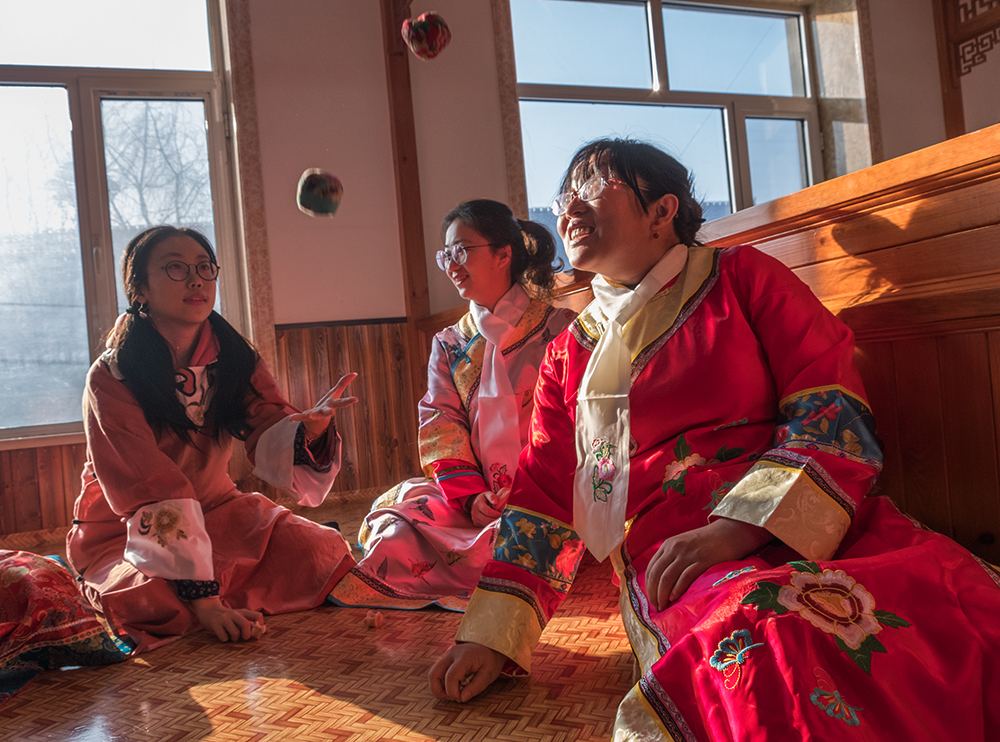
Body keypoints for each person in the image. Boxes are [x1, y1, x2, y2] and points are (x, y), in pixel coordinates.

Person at [429, 140, 1000, 740]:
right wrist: (490, 636)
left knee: (951, 613)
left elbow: (829, 408)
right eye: (563, 193)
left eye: (592, 187)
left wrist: (740, 527)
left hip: (805, 516)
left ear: (662, 211)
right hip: (677, 549)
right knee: (767, 640)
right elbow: (544, 495)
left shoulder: (744, 279)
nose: (569, 205)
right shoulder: (570, 353)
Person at [67, 226, 358, 653]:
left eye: (205, 268)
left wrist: (305, 429)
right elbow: (148, 484)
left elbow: (268, 423)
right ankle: (210, 587)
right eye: (176, 268)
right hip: (128, 528)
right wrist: (205, 602)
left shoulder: (236, 358)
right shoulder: (111, 377)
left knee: (322, 550)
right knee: (157, 602)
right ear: (140, 289)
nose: (197, 279)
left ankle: (217, 581)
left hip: (218, 508)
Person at [330, 199, 575, 610]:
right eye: (447, 254)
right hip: (476, 496)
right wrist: (471, 497)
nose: (452, 264)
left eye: (462, 250)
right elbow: (441, 421)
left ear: (503, 253)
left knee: (523, 537)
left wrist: (526, 490)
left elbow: (575, 423)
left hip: (546, 493)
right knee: (395, 522)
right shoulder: (450, 342)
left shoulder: (559, 329)